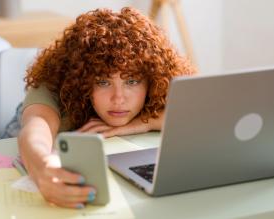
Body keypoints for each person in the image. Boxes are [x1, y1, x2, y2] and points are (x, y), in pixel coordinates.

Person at [18, 7, 196, 209]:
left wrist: (141, 123)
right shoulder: (55, 87)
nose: (118, 98)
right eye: (103, 82)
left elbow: (197, 114)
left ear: (152, 79)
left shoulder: (159, 89)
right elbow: (35, 130)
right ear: (81, 80)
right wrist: (42, 169)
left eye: (132, 81)